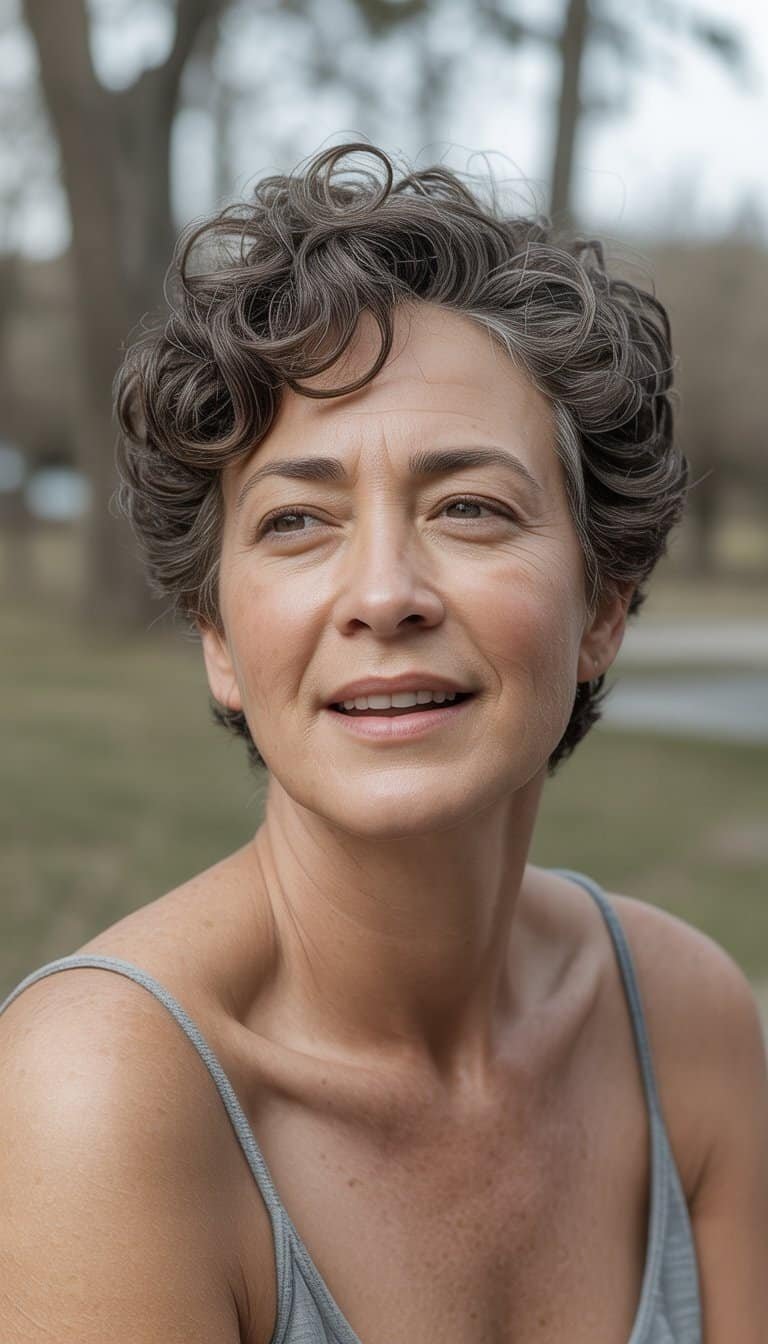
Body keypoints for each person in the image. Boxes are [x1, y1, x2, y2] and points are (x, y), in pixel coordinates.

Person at [0, 142, 765, 1344]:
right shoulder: (109, 1091)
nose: (384, 593)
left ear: (604, 605)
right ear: (217, 636)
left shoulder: (688, 1023)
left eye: (470, 507)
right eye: (298, 521)